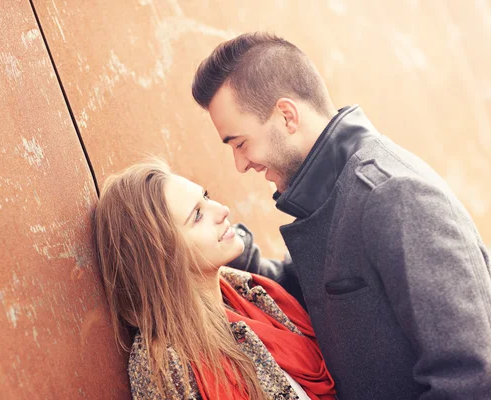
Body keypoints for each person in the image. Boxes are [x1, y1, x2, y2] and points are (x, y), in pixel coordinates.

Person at [191, 32, 491, 400]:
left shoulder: (393, 195)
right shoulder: (334, 197)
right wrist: (212, 242)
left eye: (240, 143)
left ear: (287, 116)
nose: (240, 164)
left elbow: (470, 378)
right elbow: (305, 291)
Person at [93, 160, 336, 400]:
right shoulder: (164, 364)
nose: (222, 210)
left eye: (206, 197)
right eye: (197, 215)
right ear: (162, 256)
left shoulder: (254, 293)